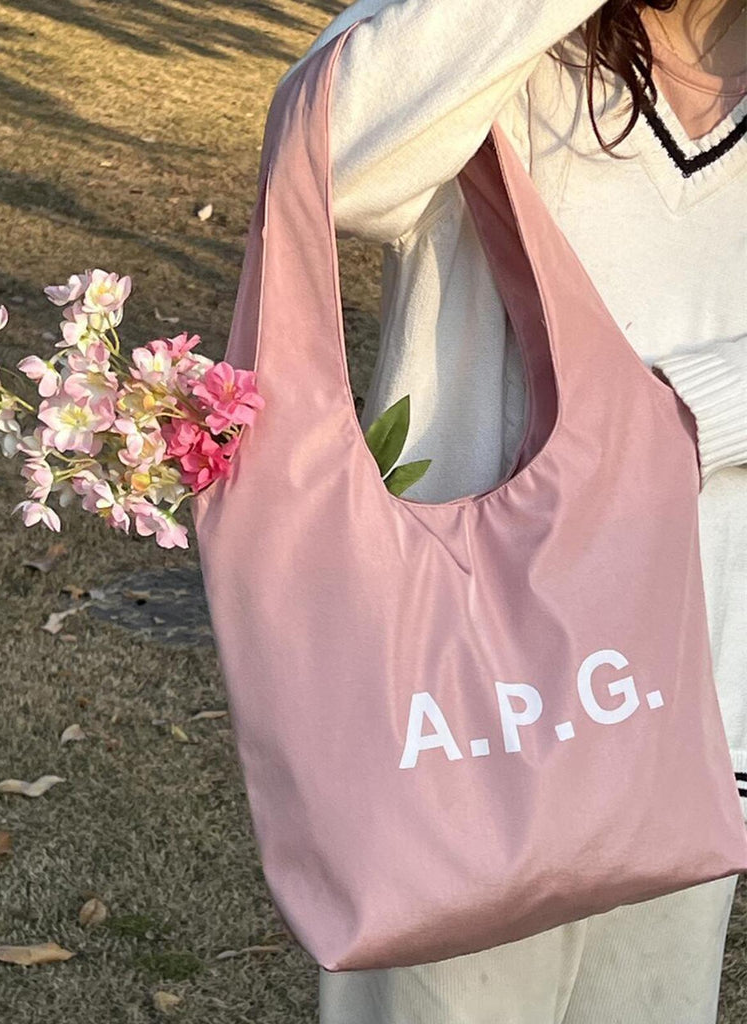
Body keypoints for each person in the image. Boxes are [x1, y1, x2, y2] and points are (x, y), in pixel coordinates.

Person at [278, 1, 747, 1021]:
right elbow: (327, 164)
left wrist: (685, 413)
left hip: (698, 705)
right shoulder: (505, 44)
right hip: (465, 707)